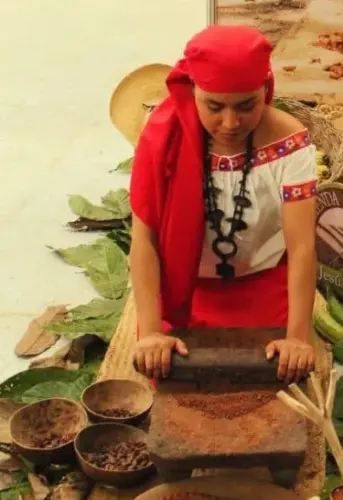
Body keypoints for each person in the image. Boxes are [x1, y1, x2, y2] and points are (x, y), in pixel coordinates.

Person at [130, 25, 318, 383]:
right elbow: (145, 241)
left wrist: (297, 337)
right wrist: (152, 332)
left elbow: (303, 246)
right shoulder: (160, 138)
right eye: (213, 106)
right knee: (164, 371)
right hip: (183, 289)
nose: (230, 123)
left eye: (247, 105)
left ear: (266, 88)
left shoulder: (290, 143)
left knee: (281, 378)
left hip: (263, 286)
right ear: (192, 91)